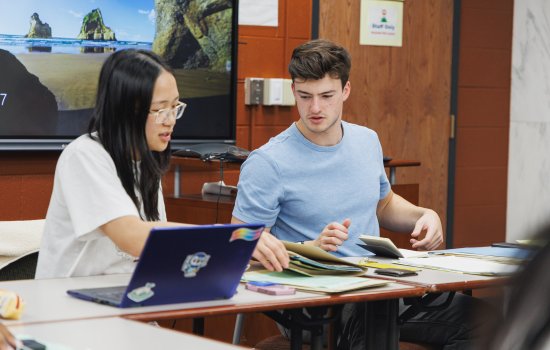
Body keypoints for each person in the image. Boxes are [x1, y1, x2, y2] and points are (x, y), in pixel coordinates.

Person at [232, 39, 486, 349]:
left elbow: (384, 204)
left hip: (378, 284)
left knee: (488, 321)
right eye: (305, 96)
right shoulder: (268, 162)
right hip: (312, 300)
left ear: (345, 91)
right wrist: (308, 248)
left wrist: (424, 215)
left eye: (327, 96)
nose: (315, 108)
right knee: (372, 321)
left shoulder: (367, 141)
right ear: (293, 91)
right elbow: (241, 241)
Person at [35, 49, 189, 278]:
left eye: (175, 107)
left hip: (127, 297)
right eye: (159, 110)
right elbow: (132, 237)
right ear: (127, 110)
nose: (170, 121)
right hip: (71, 305)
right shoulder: (85, 155)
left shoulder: (147, 160)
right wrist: (218, 237)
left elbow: (155, 247)